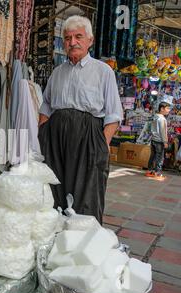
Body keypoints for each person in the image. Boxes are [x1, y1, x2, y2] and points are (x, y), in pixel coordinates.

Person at [37, 15, 123, 225]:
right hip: (55, 139)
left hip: (89, 138)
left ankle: (84, 247)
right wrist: (44, 133)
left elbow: (113, 114)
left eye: (78, 36)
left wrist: (101, 146)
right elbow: (46, 105)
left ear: (90, 40)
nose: (72, 42)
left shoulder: (103, 71)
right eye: (67, 38)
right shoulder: (57, 72)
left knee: (87, 194)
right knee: (54, 190)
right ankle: (56, 243)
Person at [145, 98, 172, 180]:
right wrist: (165, 142)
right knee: (159, 157)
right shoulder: (162, 119)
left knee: (152, 156)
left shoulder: (155, 117)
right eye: (167, 108)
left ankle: (150, 171)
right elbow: (163, 131)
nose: (168, 110)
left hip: (153, 139)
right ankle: (157, 173)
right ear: (162, 109)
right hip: (159, 141)